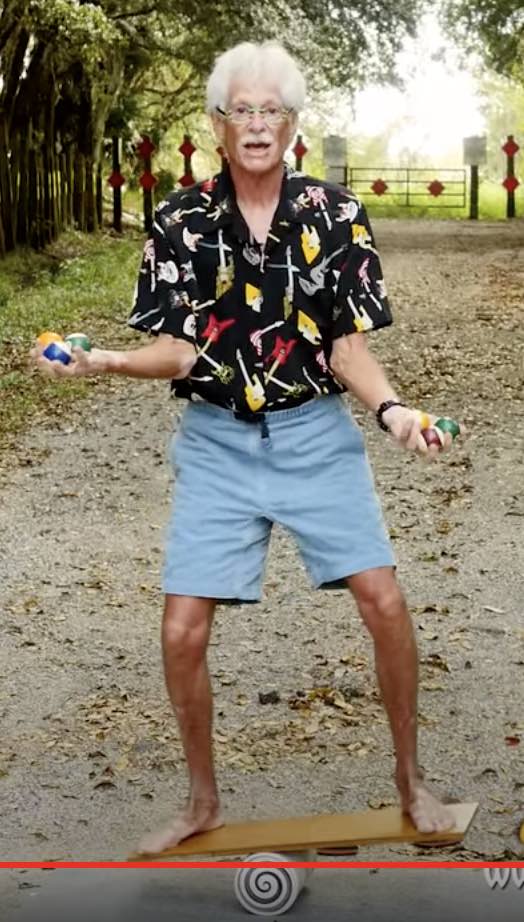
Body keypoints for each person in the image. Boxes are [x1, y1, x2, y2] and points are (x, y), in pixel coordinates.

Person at [33, 41, 459, 854]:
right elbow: (183, 351)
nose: (256, 124)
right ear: (218, 125)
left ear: (293, 126)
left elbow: (346, 349)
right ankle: (202, 803)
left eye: (271, 111)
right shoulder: (180, 221)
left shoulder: (336, 216)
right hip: (218, 444)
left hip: (314, 436)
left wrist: (395, 413)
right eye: (241, 111)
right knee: (181, 630)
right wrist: (103, 360)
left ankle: (410, 778)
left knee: (386, 602)